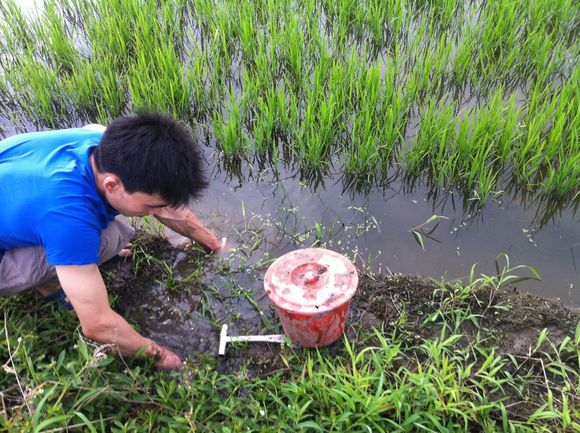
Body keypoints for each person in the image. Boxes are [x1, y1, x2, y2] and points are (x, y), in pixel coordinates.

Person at [0, 112, 222, 369]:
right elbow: (98, 325)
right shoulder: (68, 215)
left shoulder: (100, 139)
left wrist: (214, 245)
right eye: (149, 207)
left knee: (106, 237)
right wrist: (162, 356)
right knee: (102, 240)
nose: (154, 212)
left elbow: (165, 206)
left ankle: (59, 263)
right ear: (112, 184)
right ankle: (50, 285)